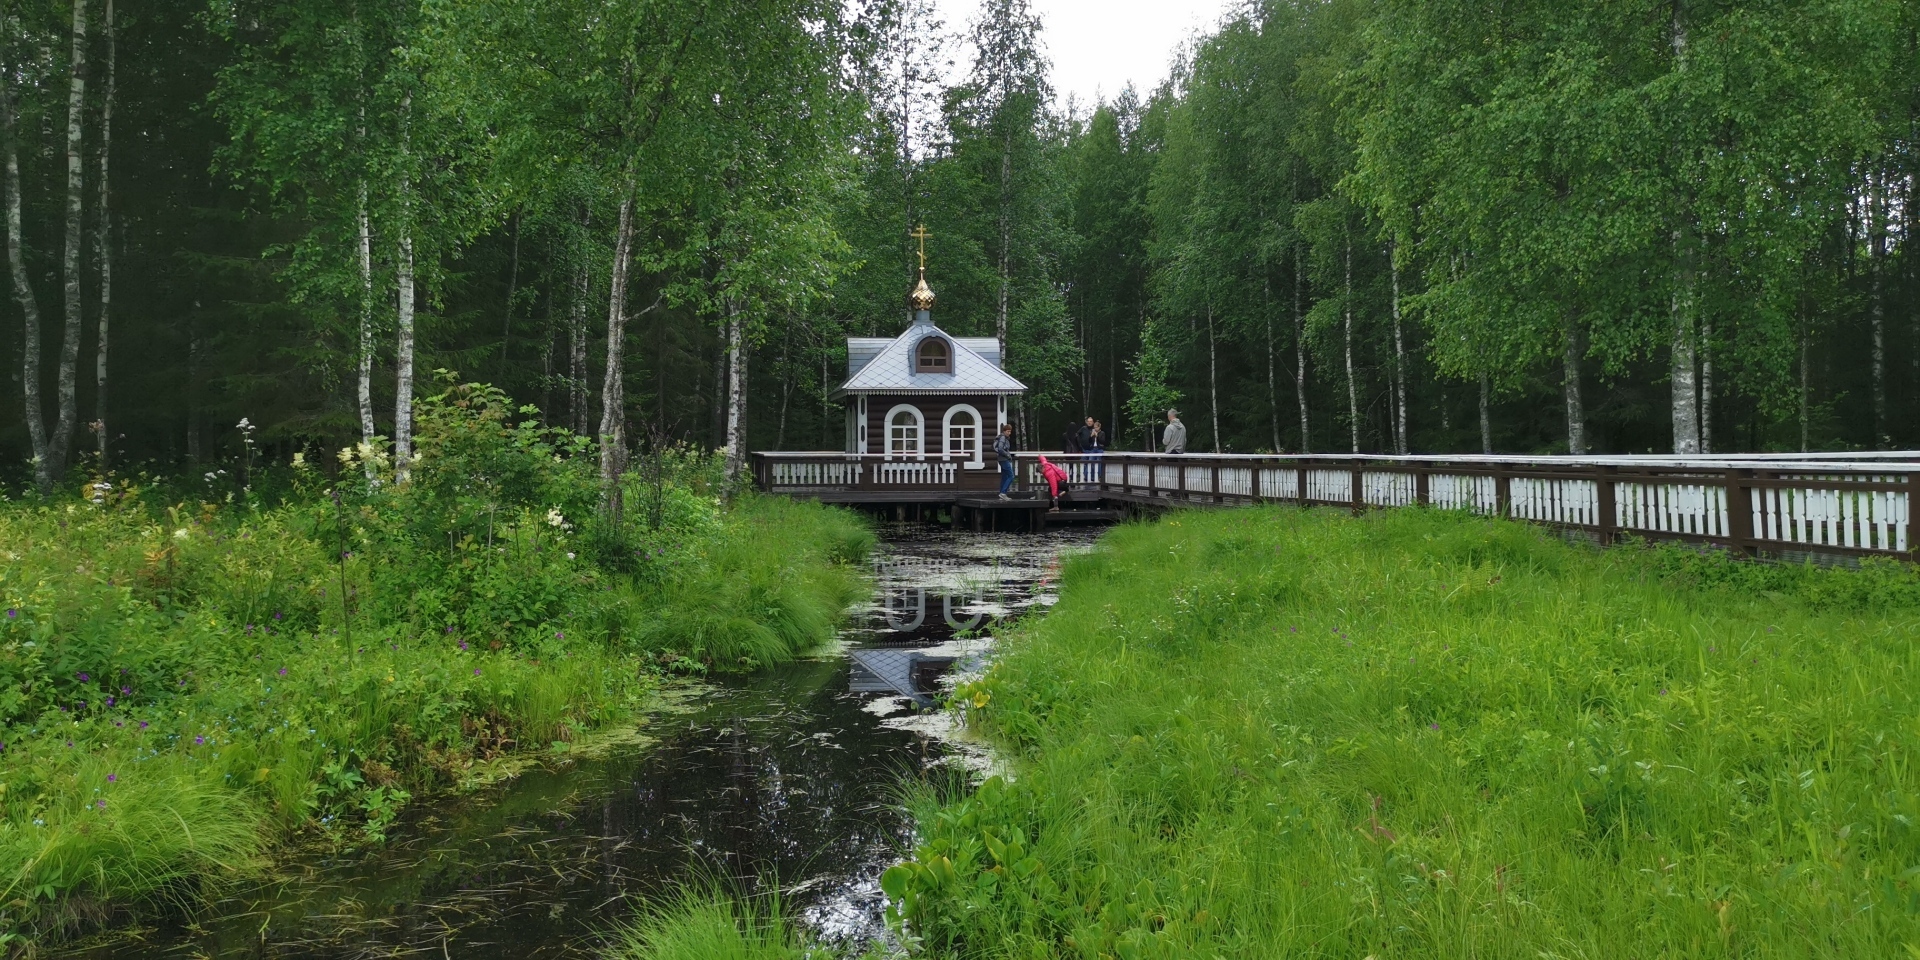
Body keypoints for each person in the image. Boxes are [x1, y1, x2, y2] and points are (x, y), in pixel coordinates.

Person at [995, 422, 1016, 499]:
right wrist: (1007, 455)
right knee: (1011, 476)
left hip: (1001, 459)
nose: (1009, 433)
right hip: (1003, 459)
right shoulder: (1003, 438)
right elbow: (1000, 449)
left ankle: (1001, 493)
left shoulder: (1002, 437)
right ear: (1004, 431)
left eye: (1010, 431)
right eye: (1008, 431)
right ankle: (1003, 493)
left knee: (1004, 476)